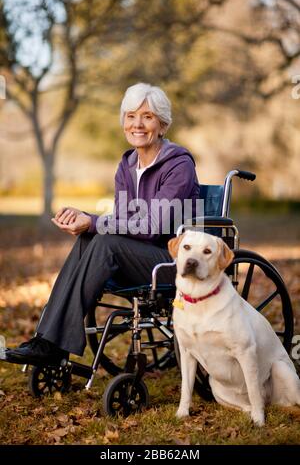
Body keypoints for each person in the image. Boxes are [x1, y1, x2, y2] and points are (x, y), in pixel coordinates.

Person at [6, 83, 199, 365]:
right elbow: (122, 221)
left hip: (171, 263)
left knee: (104, 240)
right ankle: (47, 340)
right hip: (137, 260)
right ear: (123, 122)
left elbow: (152, 227)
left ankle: (53, 343)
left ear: (162, 124)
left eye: (147, 116)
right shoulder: (127, 165)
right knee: (89, 239)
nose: (137, 124)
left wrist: (93, 221)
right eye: (131, 116)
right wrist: (83, 218)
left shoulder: (178, 165)